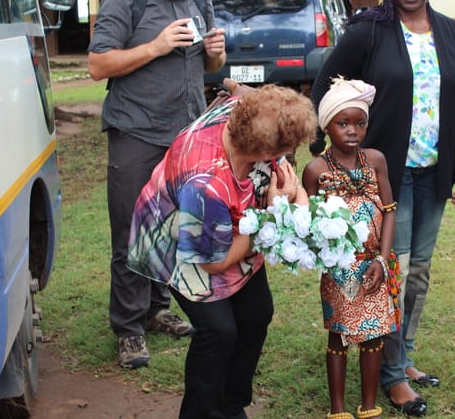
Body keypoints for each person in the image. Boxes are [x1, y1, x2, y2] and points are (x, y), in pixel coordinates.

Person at [311, 0, 455, 416]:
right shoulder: (369, 29)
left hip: (435, 170)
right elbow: (326, 81)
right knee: (394, 272)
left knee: (419, 274)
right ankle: (389, 374)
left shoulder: (452, 33)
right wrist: (327, 148)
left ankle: (399, 355)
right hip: (382, 174)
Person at [127, 84, 317, 419]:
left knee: (256, 314)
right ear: (260, 154)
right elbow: (215, 262)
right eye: (282, 152)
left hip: (236, 228)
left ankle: (231, 406)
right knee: (218, 332)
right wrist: (271, 213)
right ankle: (202, 412)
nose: (285, 158)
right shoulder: (204, 183)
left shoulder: (247, 112)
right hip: (184, 239)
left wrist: (295, 202)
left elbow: (251, 99)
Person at [87, 0, 227, 369]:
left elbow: (211, 63)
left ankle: (157, 309)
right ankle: (128, 329)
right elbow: (97, 65)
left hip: (185, 132)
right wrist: (156, 45)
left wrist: (217, 52)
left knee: (170, 226)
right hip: (135, 130)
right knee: (131, 229)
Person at [302, 77, 400, 419]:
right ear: (327, 125)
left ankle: (369, 405)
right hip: (339, 268)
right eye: (343, 123)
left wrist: (383, 261)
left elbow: (389, 211)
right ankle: (338, 409)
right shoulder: (315, 170)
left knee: (373, 336)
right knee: (339, 336)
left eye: (360, 123)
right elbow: (311, 225)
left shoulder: (375, 160)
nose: (352, 131)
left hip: (373, 266)